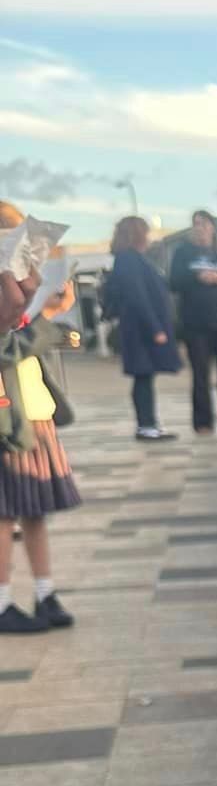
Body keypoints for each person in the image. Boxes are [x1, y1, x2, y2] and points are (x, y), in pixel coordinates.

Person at [0, 229, 81, 632]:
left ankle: (45, 592)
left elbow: (18, 330)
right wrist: (46, 315)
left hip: (34, 416)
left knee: (33, 512)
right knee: (5, 515)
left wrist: (44, 308)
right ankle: (2, 604)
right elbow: (6, 349)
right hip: (8, 423)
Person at [103, 215, 179, 443]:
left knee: (145, 377)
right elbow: (138, 296)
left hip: (138, 329)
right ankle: (146, 426)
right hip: (140, 331)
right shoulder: (128, 260)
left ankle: (149, 423)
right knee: (143, 377)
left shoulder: (130, 259)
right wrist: (155, 328)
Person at [169, 210, 217, 433]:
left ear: (212, 226)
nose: (199, 227)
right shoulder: (183, 252)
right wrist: (197, 276)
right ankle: (203, 422)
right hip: (196, 324)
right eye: (196, 224)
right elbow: (173, 282)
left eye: (203, 223)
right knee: (201, 374)